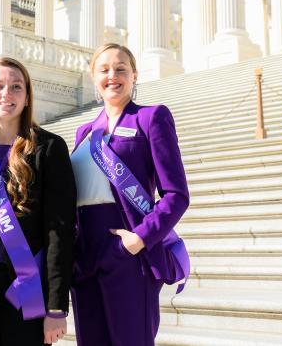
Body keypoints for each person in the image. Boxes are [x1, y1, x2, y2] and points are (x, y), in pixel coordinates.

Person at [69, 43, 190, 346]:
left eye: (121, 69)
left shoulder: (151, 118)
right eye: (104, 69)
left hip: (126, 249)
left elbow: (176, 194)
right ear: (93, 77)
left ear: (134, 75)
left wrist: (139, 239)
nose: (113, 75)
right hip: (84, 253)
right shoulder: (84, 132)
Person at [0, 57, 76, 345]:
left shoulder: (48, 148)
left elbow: (59, 230)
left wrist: (56, 306)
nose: (6, 94)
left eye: (16, 87)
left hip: (26, 292)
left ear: (27, 98)